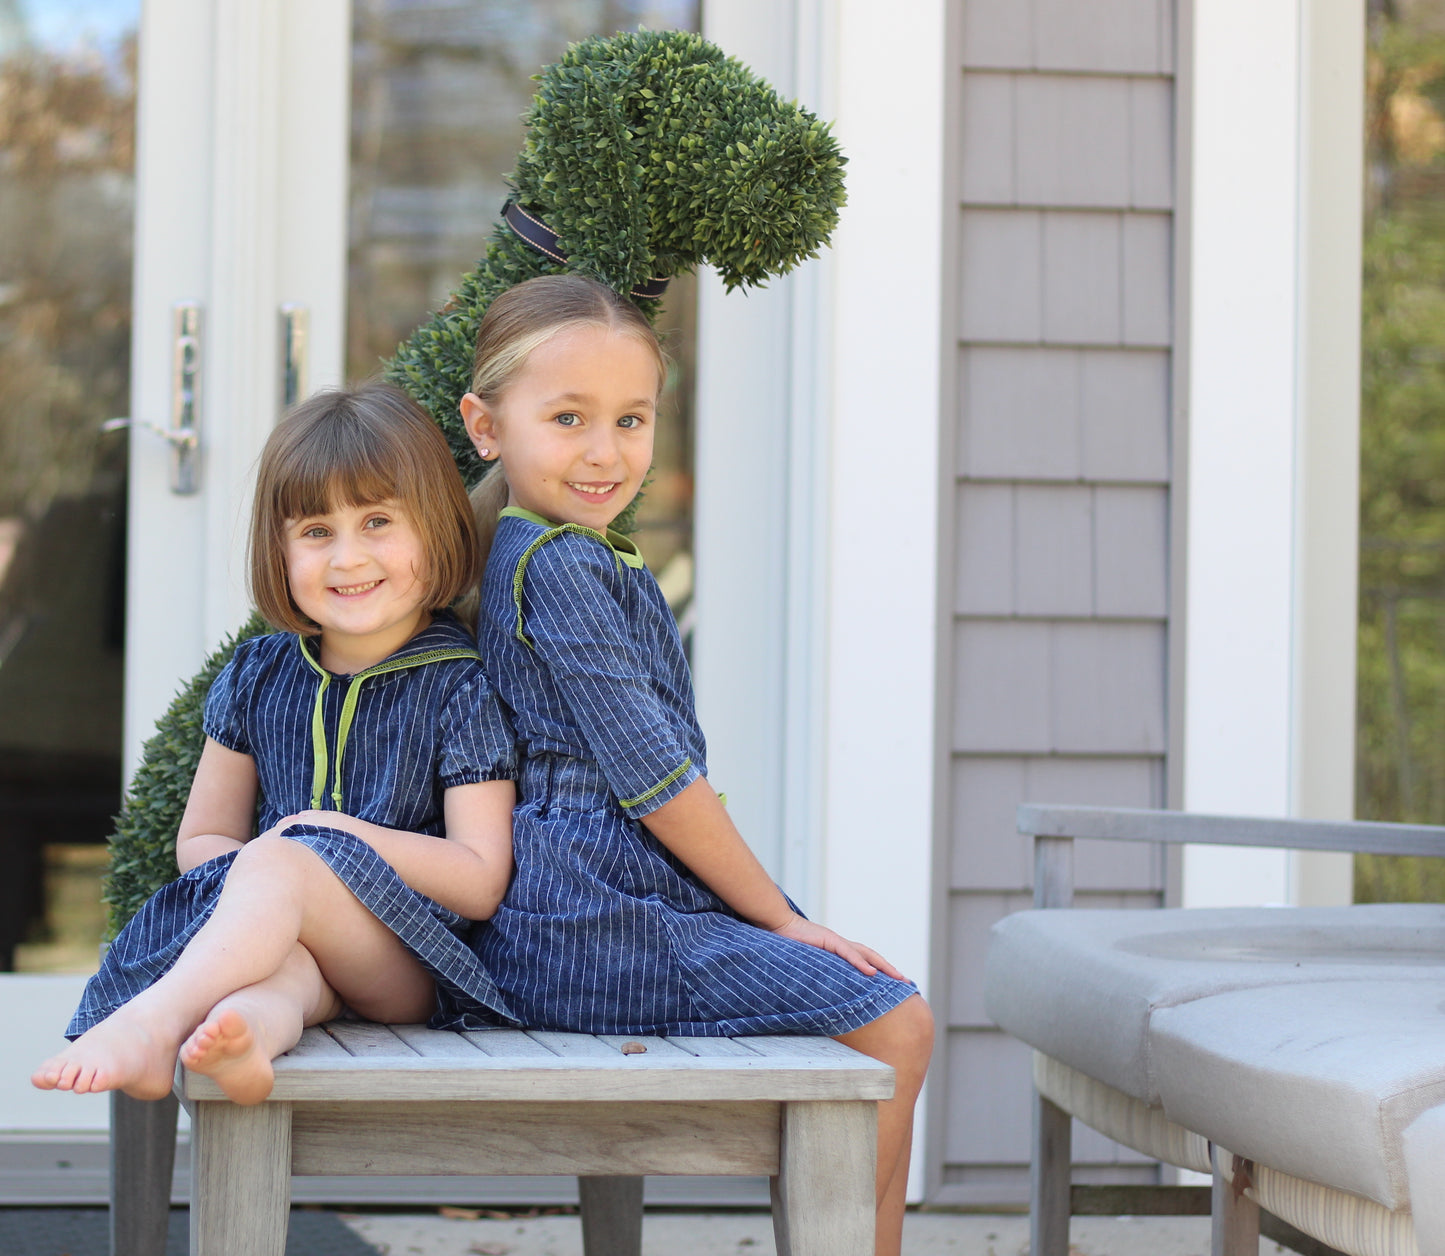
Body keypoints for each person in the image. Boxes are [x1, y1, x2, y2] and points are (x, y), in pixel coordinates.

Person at [458, 274, 934, 1256]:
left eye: (630, 419)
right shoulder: (559, 565)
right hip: (593, 921)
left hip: (591, 909)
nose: (605, 451)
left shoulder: (546, 549)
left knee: (879, 1019)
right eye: (568, 418)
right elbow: (656, 782)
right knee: (894, 1023)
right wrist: (783, 919)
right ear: (485, 426)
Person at [32, 381, 519, 1106]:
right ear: (279, 549)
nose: (347, 558)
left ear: (437, 527)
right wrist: (262, 892)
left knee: (287, 864)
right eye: (317, 532)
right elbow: (203, 836)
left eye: (378, 521)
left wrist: (320, 844)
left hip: (408, 965)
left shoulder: (460, 685)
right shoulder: (258, 674)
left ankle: (150, 1022)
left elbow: (480, 878)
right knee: (274, 983)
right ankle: (244, 1045)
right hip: (295, 948)